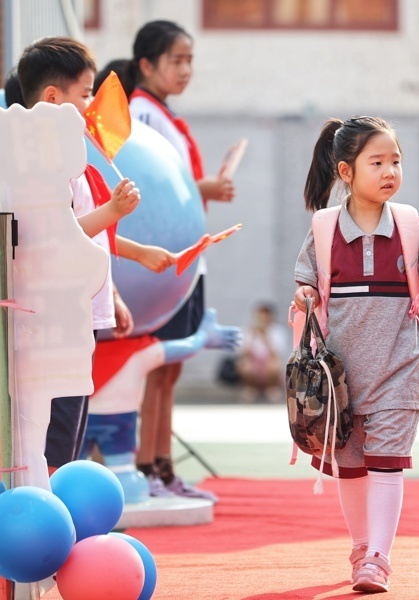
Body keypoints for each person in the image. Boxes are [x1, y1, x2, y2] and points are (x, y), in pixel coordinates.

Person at [293, 116, 419, 593]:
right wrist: (304, 295)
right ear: (346, 171)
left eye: (396, 162)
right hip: (340, 379)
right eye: (377, 162)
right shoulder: (324, 228)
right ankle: (361, 546)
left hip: (400, 370)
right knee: (351, 468)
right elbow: (306, 283)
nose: (390, 172)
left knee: (387, 462)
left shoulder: (410, 224)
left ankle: (378, 560)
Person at [15, 36, 174, 473]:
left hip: (76, 311)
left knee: (70, 420)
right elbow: (52, 234)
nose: (92, 105)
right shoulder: (40, 164)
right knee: (55, 428)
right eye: (86, 94)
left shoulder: (70, 159)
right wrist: (113, 211)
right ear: (53, 97)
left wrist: (116, 286)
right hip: (53, 315)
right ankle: (50, 503)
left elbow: (89, 234)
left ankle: (57, 499)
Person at [106, 20, 234, 499]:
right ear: (146, 64)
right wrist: (205, 189)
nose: (185, 70)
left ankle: (160, 467)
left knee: (171, 366)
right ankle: (146, 466)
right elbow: (148, 184)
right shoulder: (141, 113)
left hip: (184, 255)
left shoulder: (163, 114)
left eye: (189, 60)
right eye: (175, 60)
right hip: (162, 258)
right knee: (156, 365)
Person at [236, 302, 290, 403]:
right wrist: (253, 336)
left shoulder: (277, 331)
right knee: (244, 364)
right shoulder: (247, 330)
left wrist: (265, 337)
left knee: (275, 364)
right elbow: (243, 353)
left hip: (269, 362)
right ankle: (251, 388)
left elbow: (277, 354)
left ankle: (272, 388)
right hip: (253, 361)